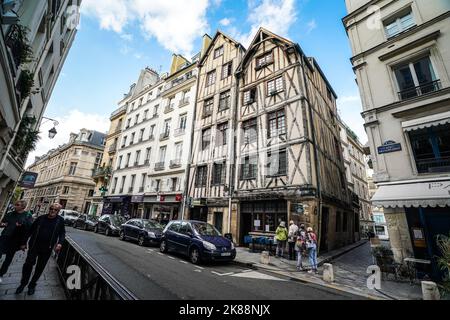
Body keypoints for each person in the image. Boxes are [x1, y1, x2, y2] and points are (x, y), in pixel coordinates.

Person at [16, 203, 66, 295]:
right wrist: (23, 243)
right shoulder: (41, 218)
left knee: (40, 267)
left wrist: (60, 243)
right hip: (34, 245)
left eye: (55, 210)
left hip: (47, 248)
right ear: (49, 209)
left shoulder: (60, 221)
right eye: (51, 208)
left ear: (58, 211)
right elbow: (30, 230)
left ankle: (32, 285)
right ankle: (23, 284)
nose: (52, 211)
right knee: (28, 264)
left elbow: (62, 233)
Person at [0, 200, 32, 284]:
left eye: (17, 205)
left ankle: (1, 274)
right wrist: (2, 224)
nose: (15, 206)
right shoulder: (10, 214)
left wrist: (23, 243)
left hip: (15, 240)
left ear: (23, 207)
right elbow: (2, 222)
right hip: (4, 237)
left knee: (8, 259)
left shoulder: (27, 216)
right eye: (15, 204)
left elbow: (29, 229)